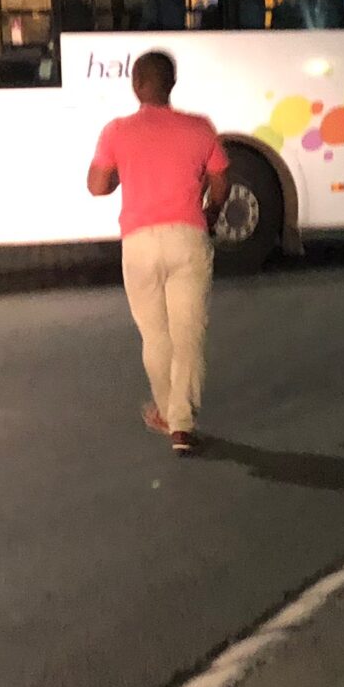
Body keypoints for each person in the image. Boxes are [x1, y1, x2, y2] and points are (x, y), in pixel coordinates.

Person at [87, 49, 229, 455]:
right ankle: (182, 425)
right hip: (188, 236)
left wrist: (123, 172)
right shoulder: (200, 128)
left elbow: (97, 185)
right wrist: (212, 214)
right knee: (188, 335)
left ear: (136, 85)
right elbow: (221, 182)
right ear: (172, 85)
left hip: (139, 242)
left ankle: (168, 413)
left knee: (155, 335)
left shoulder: (116, 131)